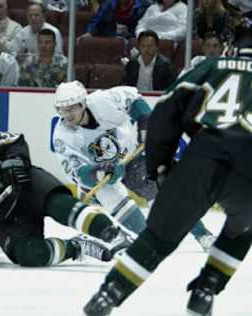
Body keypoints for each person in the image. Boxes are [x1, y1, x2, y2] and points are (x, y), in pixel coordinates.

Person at [82, 18, 252, 316]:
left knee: (158, 238)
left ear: (232, 46)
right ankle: (206, 288)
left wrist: (160, 167)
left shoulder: (211, 67)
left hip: (204, 156)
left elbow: (165, 111)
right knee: (243, 228)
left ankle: (110, 293)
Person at [0, 130, 134, 267]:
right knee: (30, 255)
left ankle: (114, 235)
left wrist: (15, 161)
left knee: (62, 206)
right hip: (4, 220)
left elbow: (14, 141)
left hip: (23, 186)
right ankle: (77, 247)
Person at [53, 80, 216, 249]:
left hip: (131, 158)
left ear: (83, 103)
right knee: (113, 199)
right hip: (99, 176)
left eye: (71, 108)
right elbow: (77, 171)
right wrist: (99, 173)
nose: (67, 114)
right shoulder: (62, 135)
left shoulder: (104, 100)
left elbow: (134, 99)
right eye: (62, 109)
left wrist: (145, 127)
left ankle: (203, 236)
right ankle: (149, 243)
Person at [76, 0, 151, 40]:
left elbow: (147, 25)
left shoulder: (144, 5)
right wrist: (90, 32)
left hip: (133, 38)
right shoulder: (109, 3)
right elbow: (97, 19)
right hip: (111, 37)